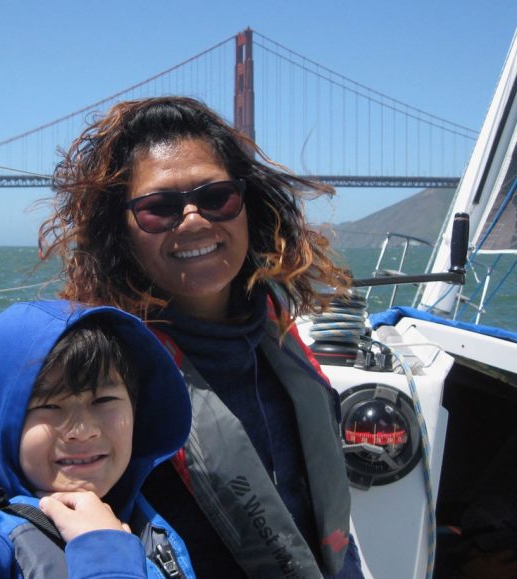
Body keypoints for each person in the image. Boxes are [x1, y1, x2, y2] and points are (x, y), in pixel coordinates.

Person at [39, 96, 364, 578]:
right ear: (121, 232)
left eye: (216, 198)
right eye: (158, 207)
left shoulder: (276, 338)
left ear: (246, 207)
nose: (193, 220)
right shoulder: (107, 372)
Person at [0, 300, 195, 578]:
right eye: (48, 406)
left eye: (103, 401)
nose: (83, 430)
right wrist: (106, 555)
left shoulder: (141, 516)